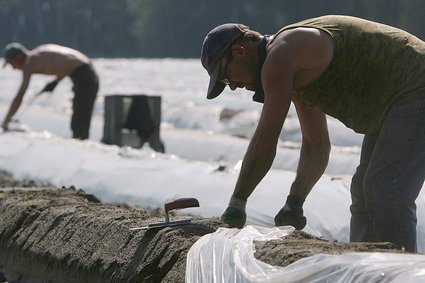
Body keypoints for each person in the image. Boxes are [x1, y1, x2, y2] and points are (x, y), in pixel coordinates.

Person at [200, 15, 425, 252]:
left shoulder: (281, 56)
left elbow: (266, 138)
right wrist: (295, 202)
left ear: (239, 51)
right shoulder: (295, 70)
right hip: (394, 101)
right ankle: (366, 267)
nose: (233, 86)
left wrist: (238, 202)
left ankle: (401, 270)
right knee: (363, 191)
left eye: (226, 77)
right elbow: (316, 144)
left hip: (415, 86)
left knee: (383, 187)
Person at [2, 42, 99, 140]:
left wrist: (6, 121)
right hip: (84, 71)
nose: (14, 68)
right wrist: (55, 82)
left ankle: (81, 148)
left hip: (84, 75)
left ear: (18, 56)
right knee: (79, 116)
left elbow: (20, 95)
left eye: (12, 63)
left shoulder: (30, 61)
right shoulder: (39, 53)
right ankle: (81, 142)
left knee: (79, 119)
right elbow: (65, 63)